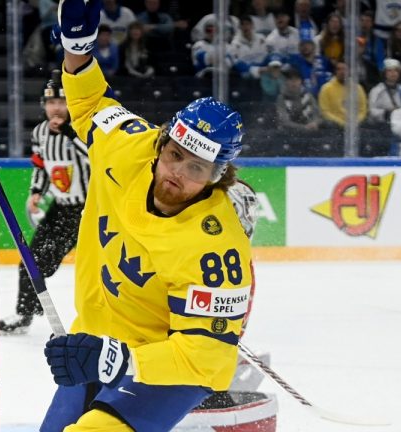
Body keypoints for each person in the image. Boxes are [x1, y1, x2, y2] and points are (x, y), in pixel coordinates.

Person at [43, 1, 254, 430]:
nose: (177, 173)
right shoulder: (128, 145)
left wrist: (122, 359)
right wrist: (77, 51)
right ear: (161, 144)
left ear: (218, 176)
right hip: (100, 342)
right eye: (175, 155)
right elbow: (89, 105)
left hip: (168, 366)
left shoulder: (216, 248)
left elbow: (207, 359)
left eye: (196, 168)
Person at [0, 71, 90, 334]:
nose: (56, 108)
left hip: (92, 210)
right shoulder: (39, 133)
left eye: (62, 102)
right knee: (30, 261)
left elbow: (98, 157)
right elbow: (41, 167)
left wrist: (71, 133)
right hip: (61, 209)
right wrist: (37, 192)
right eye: (51, 103)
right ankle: (24, 315)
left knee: (103, 269)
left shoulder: (83, 129)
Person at [318, 61, 368, 129]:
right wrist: (341, 123)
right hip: (335, 126)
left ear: (349, 71)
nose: (342, 72)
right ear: (335, 71)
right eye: (339, 69)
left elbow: (363, 110)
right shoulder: (326, 88)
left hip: (355, 125)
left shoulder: (358, 88)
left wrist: (356, 121)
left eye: (344, 69)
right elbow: (325, 111)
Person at [368, 58, 401, 126]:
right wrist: (386, 113)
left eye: (396, 70)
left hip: (399, 125)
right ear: (385, 73)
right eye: (389, 70)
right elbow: (371, 110)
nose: (393, 73)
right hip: (380, 127)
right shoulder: (376, 90)